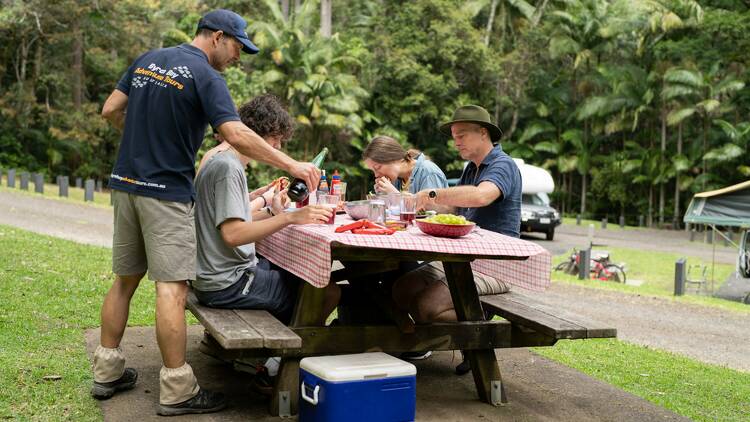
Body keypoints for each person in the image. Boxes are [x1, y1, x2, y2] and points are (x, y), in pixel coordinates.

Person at [93, 10, 320, 416]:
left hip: (126, 185)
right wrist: (291, 165)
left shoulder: (148, 59)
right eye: (237, 47)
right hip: (165, 194)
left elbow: (110, 110)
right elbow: (233, 133)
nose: (238, 57)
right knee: (172, 289)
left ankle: (107, 369)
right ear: (217, 37)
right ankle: (178, 387)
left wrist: (142, 144)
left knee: (124, 281)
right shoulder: (206, 76)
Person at [392, 105, 522, 371]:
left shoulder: (502, 165)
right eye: (454, 136)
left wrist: (430, 195)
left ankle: (479, 334)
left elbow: (481, 196)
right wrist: (420, 204)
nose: (456, 141)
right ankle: (464, 334)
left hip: (496, 263)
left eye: (462, 135)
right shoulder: (471, 169)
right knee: (400, 290)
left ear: (483, 133)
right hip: (462, 257)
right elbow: (453, 209)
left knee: (427, 306)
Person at [362, 135, 448, 194]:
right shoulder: (397, 178)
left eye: (378, 167)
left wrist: (394, 194)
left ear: (392, 157)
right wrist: (383, 196)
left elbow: (433, 213)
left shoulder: (428, 172)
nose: (376, 175)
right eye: (373, 171)